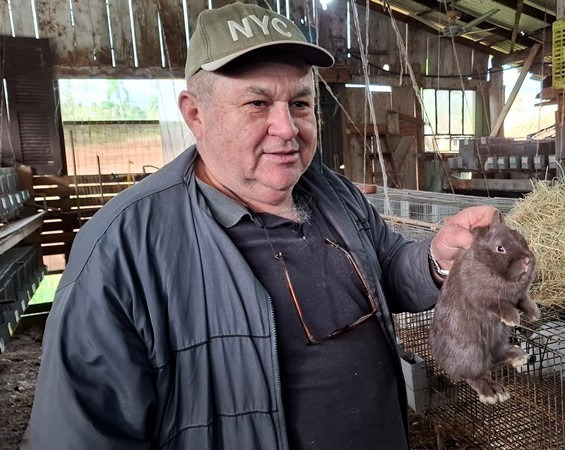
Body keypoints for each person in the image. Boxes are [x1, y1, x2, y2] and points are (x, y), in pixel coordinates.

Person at [28, 3, 498, 450]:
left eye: (299, 103)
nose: (287, 128)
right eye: (257, 103)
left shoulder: (331, 191)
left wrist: (437, 258)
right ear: (195, 114)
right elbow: (81, 432)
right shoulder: (122, 248)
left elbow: (387, 268)